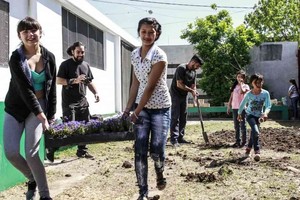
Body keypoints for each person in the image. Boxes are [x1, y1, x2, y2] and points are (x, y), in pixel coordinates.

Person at [3, 17, 56, 200]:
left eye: (33, 30)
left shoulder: (49, 57)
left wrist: (51, 114)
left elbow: (52, 87)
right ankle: (32, 178)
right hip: (16, 108)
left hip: (40, 106)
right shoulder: (16, 58)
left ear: (40, 32)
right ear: (20, 35)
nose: (30, 34)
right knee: (10, 152)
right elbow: (25, 89)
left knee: (32, 153)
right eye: (25, 31)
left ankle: (44, 195)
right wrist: (41, 114)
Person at [123, 17, 171, 200]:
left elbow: (150, 87)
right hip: (141, 108)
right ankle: (143, 193)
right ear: (139, 32)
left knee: (157, 149)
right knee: (140, 150)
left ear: (157, 34)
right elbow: (135, 83)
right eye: (143, 32)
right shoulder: (134, 54)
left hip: (160, 108)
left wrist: (135, 111)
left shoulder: (160, 56)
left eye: (151, 32)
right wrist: (129, 108)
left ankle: (159, 173)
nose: (147, 35)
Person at [56, 41, 99, 159]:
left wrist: (95, 93)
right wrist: (74, 80)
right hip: (69, 102)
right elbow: (58, 80)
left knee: (85, 126)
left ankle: (82, 151)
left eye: (83, 52)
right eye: (78, 52)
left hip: (82, 100)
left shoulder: (86, 65)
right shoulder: (65, 65)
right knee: (68, 129)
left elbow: (89, 82)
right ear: (72, 52)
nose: (81, 54)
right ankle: (53, 148)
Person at [169, 54, 204, 146]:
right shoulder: (181, 68)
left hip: (183, 96)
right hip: (175, 95)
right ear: (193, 62)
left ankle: (180, 137)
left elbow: (193, 85)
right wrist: (192, 90)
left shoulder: (193, 72)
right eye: (197, 66)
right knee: (175, 117)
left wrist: (194, 96)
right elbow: (179, 84)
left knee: (183, 117)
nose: (197, 68)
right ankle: (174, 139)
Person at [238, 73, 271, 162]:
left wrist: (265, 113)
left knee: (254, 133)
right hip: (250, 115)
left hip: (259, 116)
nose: (259, 84)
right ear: (252, 83)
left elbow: (268, 106)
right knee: (256, 131)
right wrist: (239, 113)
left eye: (260, 82)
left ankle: (248, 149)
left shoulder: (265, 93)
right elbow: (242, 104)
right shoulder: (249, 94)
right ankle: (257, 151)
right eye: (257, 82)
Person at [227, 70, 250, 147]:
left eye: (241, 77)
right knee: (236, 125)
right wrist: (228, 106)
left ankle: (244, 142)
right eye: (238, 77)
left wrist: (241, 84)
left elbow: (242, 92)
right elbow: (231, 97)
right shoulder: (234, 87)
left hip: (242, 108)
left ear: (244, 78)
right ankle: (237, 141)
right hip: (234, 108)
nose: (239, 78)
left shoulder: (246, 86)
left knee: (243, 125)